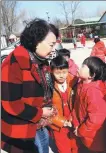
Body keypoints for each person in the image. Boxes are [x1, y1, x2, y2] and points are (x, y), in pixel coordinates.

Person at [1, 18, 59, 153]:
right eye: (51, 44)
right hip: (22, 129)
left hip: (40, 124)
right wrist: (41, 113)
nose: (53, 49)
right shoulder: (15, 63)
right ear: (37, 41)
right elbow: (11, 103)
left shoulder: (40, 61)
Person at [74, 56, 106, 153]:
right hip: (85, 134)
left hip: (94, 139)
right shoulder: (81, 85)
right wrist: (75, 121)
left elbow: (96, 119)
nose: (80, 67)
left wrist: (80, 131)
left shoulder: (93, 92)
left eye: (83, 66)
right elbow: (77, 106)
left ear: (92, 75)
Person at [49, 55, 80, 153]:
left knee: (76, 148)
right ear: (51, 72)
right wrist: (62, 122)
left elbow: (79, 103)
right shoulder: (48, 86)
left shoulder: (74, 81)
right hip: (58, 127)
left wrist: (73, 118)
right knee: (64, 150)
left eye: (64, 72)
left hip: (74, 123)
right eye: (58, 73)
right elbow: (46, 108)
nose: (61, 75)